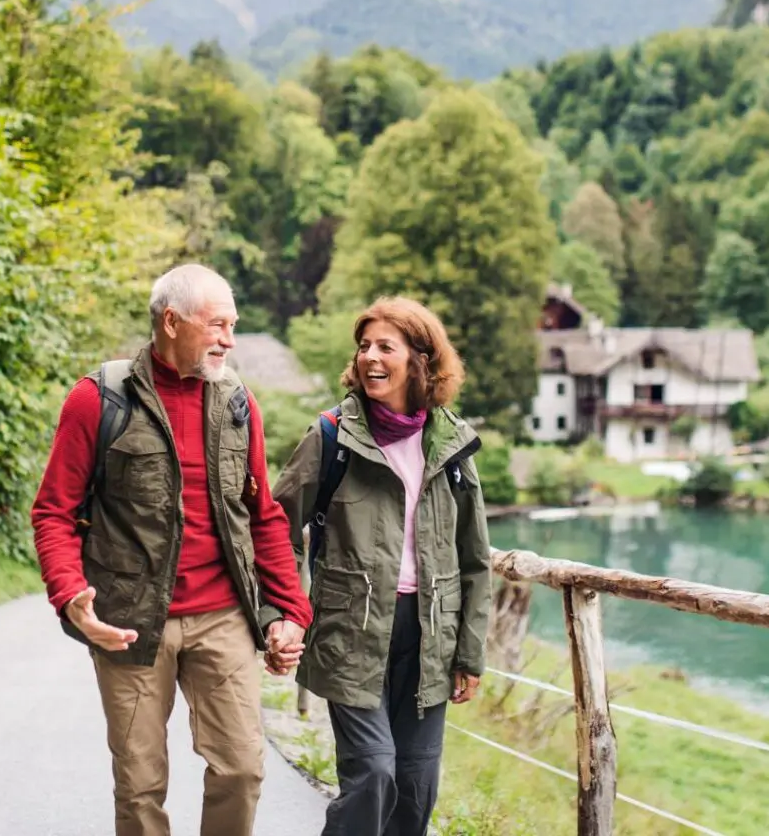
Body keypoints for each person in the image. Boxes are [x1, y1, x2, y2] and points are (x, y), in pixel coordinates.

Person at [31, 263, 312, 836]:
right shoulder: (98, 399)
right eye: (217, 325)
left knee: (241, 770)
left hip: (223, 616)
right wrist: (71, 595)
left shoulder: (238, 402)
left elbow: (262, 514)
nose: (229, 340)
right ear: (171, 321)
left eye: (233, 325)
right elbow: (53, 511)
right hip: (129, 623)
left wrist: (290, 610)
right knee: (139, 787)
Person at [274, 297, 492, 836]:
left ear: (421, 359)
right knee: (373, 775)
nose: (370, 356)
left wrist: (469, 653)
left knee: (415, 790)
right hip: (350, 633)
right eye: (364, 346)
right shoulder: (332, 436)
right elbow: (277, 528)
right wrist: (285, 613)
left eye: (385, 347)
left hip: (430, 640)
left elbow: (475, 558)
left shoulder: (451, 443)